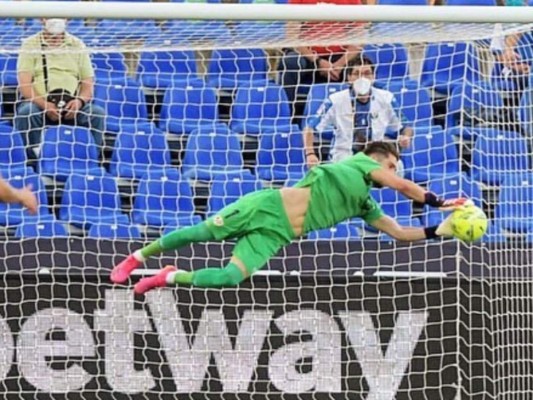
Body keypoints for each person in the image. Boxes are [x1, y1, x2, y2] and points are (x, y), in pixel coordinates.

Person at [110, 142, 468, 295]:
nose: (393, 172)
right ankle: (137, 257)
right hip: (267, 206)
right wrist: (437, 201)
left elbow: (401, 233)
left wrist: (442, 230)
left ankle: (169, 277)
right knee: (201, 232)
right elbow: (404, 186)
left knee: (230, 277)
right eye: (391, 164)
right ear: (376, 159)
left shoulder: (365, 205)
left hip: (279, 234)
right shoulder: (359, 163)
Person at [303, 56, 413, 169]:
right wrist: (310, 154)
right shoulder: (335, 100)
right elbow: (309, 128)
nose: (362, 79)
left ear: (373, 77)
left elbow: (406, 127)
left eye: (367, 74)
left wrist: (406, 137)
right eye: (357, 74)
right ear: (349, 78)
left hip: (376, 156)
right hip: (344, 157)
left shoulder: (386, 98)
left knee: (398, 167)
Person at [15, 18, 105, 151]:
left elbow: (88, 85)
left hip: (72, 104)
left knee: (96, 113)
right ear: (42, 20)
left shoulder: (77, 45)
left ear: (67, 19)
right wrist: (45, 105)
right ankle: (30, 159)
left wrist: (79, 102)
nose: (55, 20)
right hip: (39, 104)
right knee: (27, 112)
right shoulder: (30, 44)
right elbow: (25, 85)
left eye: (60, 16)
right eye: (50, 16)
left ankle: (92, 158)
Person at [277, 0, 363, 116]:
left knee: (361, 67)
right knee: (291, 63)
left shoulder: (353, 2)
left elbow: (359, 40)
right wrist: (318, 61)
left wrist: (339, 64)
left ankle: (358, 117)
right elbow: (292, 38)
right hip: (308, 56)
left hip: (339, 59)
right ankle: (286, 116)